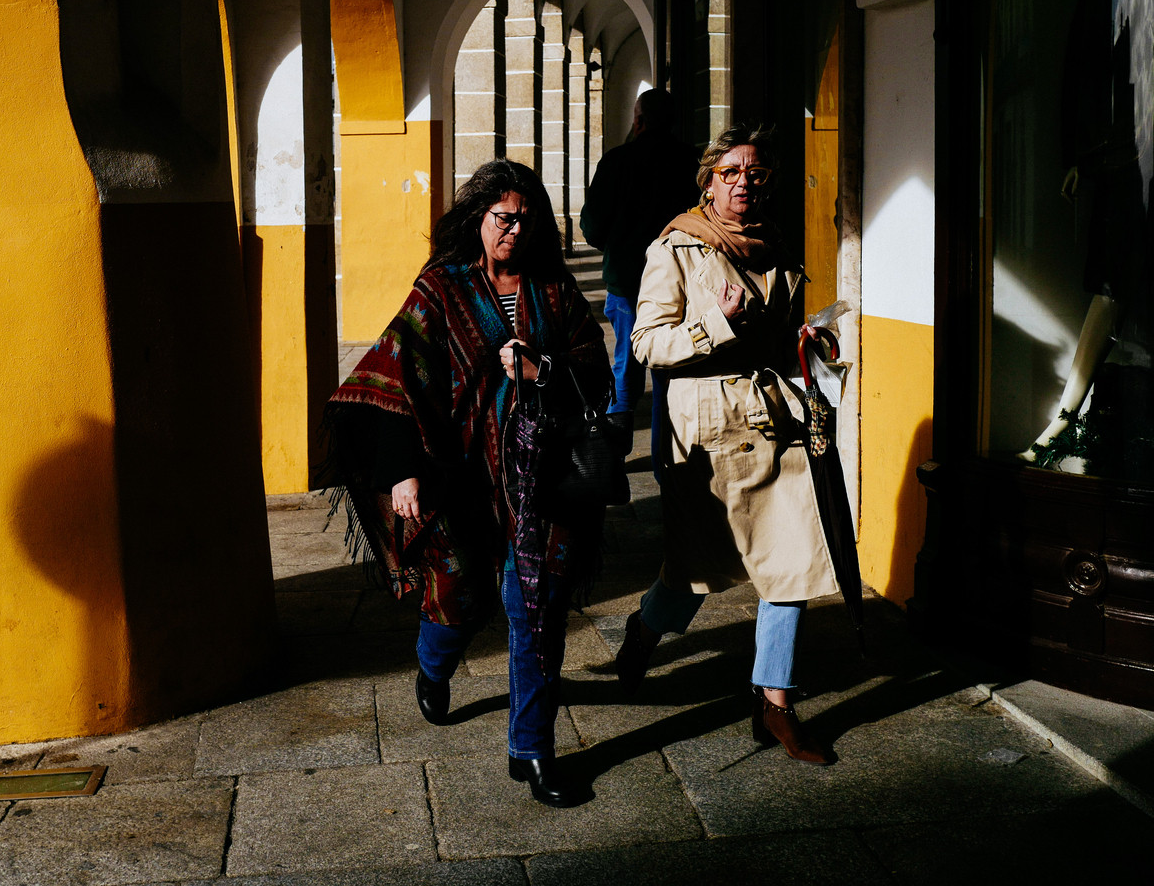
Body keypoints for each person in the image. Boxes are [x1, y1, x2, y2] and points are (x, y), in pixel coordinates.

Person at [325, 159, 612, 807]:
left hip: (540, 484)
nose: (514, 230)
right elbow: (395, 370)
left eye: (525, 219)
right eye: (502, 218)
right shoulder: (442, 288)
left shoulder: (556, 291)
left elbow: (595, 372)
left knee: (534, 615)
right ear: (479, 220)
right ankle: (434, 665)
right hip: (458, 480)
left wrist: (542, 368)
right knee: (458, 596)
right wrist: (400, 469)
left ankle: (532, 751)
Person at [616, 123, 841, 764]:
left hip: (773, 416)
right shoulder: (677, 248)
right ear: (709, 181)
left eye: (756, 173)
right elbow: (647, 345)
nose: (744, 183)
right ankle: (644, 630)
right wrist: (714, 321)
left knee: (793, 561)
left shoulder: (774, 244)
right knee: (695, 572)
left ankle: (774, 704)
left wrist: (811, 344)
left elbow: (778, 331)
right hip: (709, 429)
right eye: (731, 172)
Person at [578, 87, 700, 437]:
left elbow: (592, 227)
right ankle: (668, 462)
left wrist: (619, 244)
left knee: (626, 365)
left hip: (628, 280)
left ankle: (616, 451)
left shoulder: (617, 161)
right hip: (683, 281)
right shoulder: (690, 162)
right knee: (671, 368)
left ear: (639, 120)